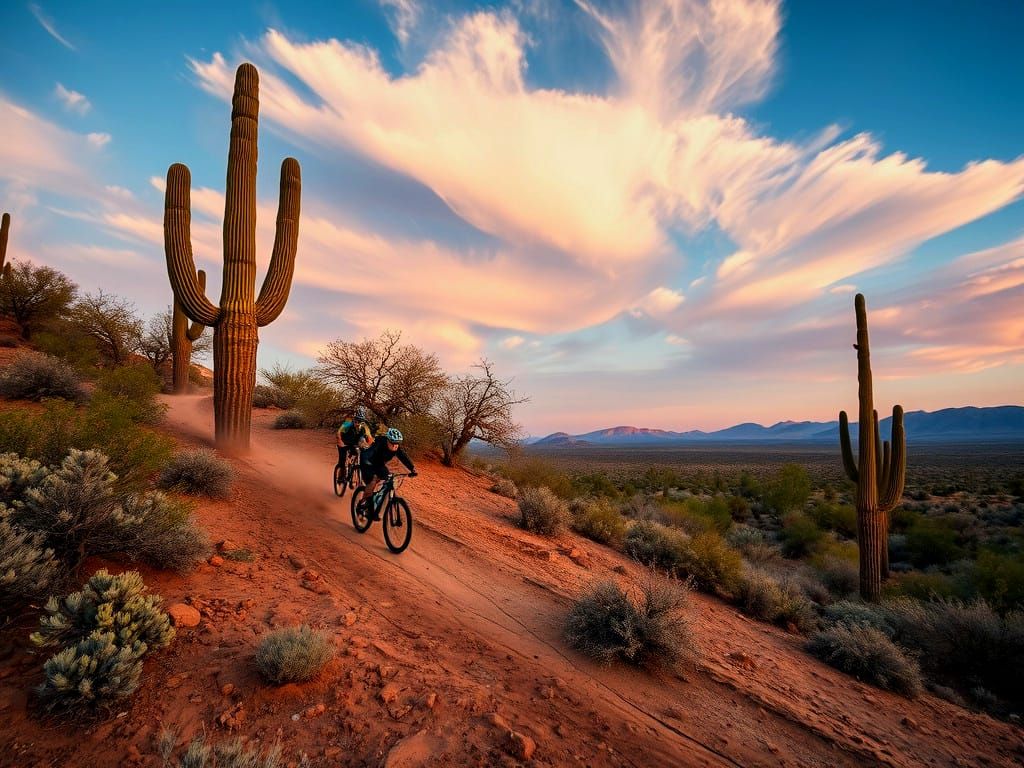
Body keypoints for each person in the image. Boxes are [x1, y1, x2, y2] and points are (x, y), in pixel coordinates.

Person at [358, 427, 417, 519]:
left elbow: (403, 457)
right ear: (387, 440)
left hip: (379, 465)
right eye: (393, 443)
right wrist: (366, 460)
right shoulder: (379, 443)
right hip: (367, 462)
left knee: (388, 479)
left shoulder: (396, 448)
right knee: (372, 481)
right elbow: (370, 452)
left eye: (397, 443)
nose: (395, 445)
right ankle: (363, 503)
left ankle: (375, 500)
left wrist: (412, 468)